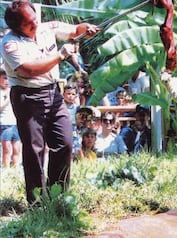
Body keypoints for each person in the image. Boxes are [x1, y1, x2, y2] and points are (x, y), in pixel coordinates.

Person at [0, 0, 99, 204]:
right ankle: (36, 201)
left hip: (53, 94)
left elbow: (73, 30)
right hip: (27, 97)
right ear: (17, 27)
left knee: (64, 142)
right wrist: (60, 55)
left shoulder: (47, 28)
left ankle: (59, 195)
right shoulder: (10, 43)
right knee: (34, 149)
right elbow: (29, 69)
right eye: (29, 24)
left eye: (35, 19)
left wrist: (85, 29)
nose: (35, 24)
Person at [0, 69, 21, 167]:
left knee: (16, 148)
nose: (7, 81)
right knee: (7, 149)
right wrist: (9, 98)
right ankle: (6, 168)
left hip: (15, 124)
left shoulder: (14, 90)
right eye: (4, 78)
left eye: (8, 78)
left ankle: (15, 168)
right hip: (4, 124)